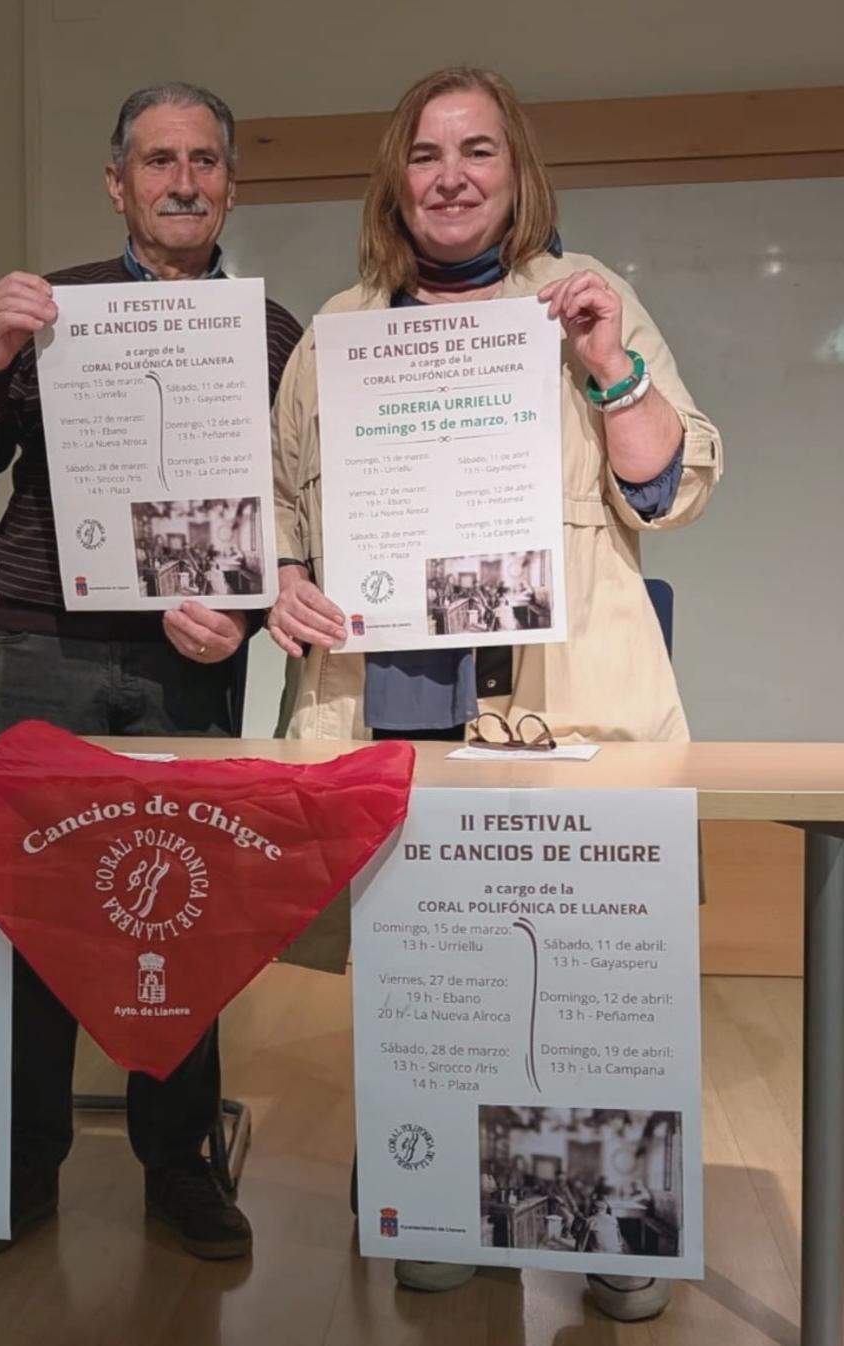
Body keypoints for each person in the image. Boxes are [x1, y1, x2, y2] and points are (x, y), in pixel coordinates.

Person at [268, 67, 722, 1320]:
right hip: (391, 701)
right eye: (426, 154)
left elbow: (666, 487)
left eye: (477, 150)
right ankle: (444, 1194)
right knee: (435, 959)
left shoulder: (587, 300)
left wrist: (608, 364)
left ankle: (613, 1220)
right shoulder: (338, 330)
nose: (452, 175)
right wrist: (288, 584)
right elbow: (282, 518)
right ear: (395, 180)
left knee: (589, 962)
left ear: (516, 172)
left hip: (567, 701)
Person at [0, 82, 302, 1263]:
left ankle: (178, 1165)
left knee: (184, 911)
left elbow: (289, 520)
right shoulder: (50, 313)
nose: (181, 179)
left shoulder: (272, 331)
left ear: (230, 184)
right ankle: (25, 1165)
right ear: (117, 182)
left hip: (192, 666)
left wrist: (241, 614)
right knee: (35, 913)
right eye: (156, 160)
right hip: (49, 648)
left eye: (201, 160)